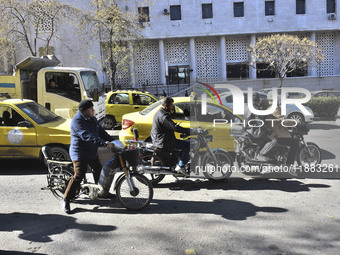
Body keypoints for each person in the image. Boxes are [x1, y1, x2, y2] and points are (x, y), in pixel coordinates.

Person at [62, 99, 114, 214]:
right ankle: (66, 198)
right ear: (84, 111)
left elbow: (101, 132)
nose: (93, 110)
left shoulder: (93, 119)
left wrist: (113, 141)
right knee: (79, 175)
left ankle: (102, 193)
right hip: (79, 153)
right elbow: (87, 136)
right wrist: (104, 143)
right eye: (91, 109)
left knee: (99, 171)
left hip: (91, 151)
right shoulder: (77, 121)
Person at [254, 99, 299, 176]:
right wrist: (296, 122)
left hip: (269, 132)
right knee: (295, 143)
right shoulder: (274, 108)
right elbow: (282, 121)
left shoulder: (265, 107)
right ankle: (289, 165)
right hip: (277, 134)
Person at [151, 97, 191, 174]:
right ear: (166, 105)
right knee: (187, 144)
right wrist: (188, 130)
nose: (172, 107)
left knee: (183, 142)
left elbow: (171, 120)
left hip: (160, 139)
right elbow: (174, 127)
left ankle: (180, 160)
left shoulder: (161, 112)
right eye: (171, 105)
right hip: (164, 141)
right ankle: (181, 166)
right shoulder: (163, 116)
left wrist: (174, 112)